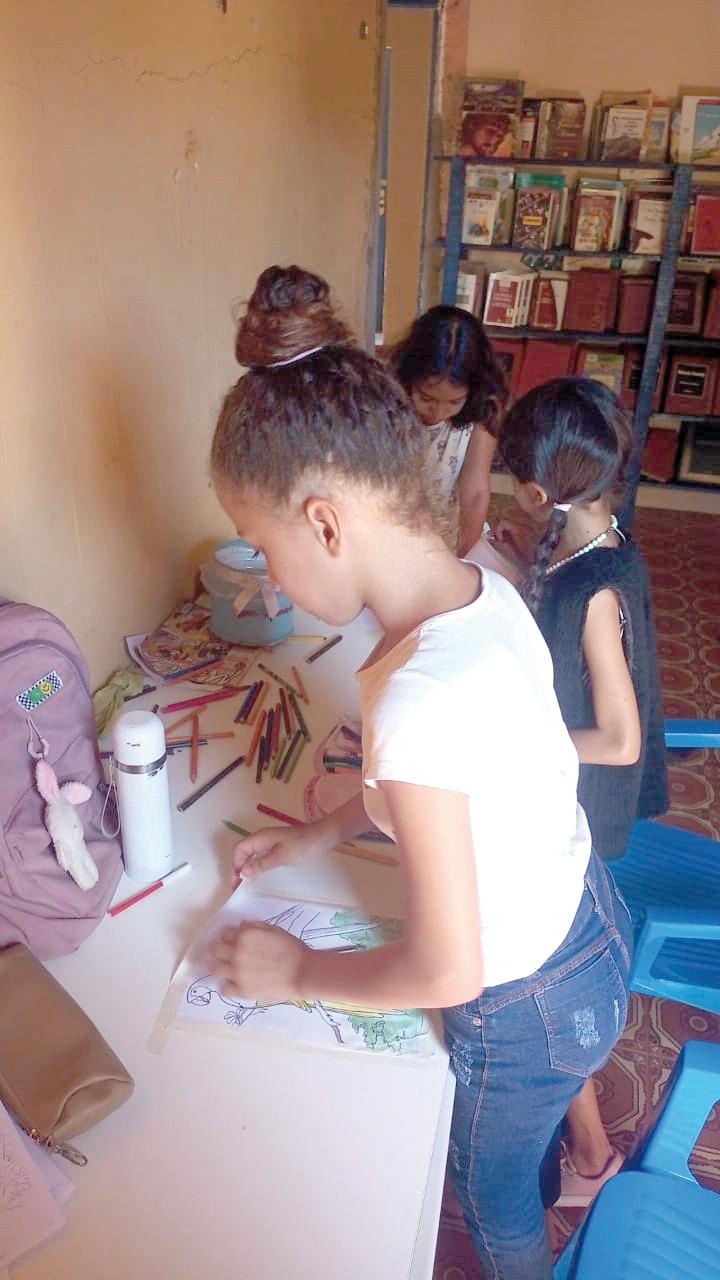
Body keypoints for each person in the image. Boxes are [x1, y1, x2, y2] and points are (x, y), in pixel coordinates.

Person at [208, 265, 632, 1280]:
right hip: (589, 923)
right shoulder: (484, 586)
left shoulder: (412, 698)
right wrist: (317, 832)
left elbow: (444, 969)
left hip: (522, 1006)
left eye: (264, 549)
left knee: (490, 1209)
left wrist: (296, 971)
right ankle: (553, 1159)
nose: (268, 576)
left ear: (323, 522)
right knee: (512, 1163)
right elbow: (472, 779)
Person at [499, 377, 668, 1207]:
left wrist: (518, 742)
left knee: (544, 986)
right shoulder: (591, 538)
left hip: (581, 813)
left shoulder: (593, 589)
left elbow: (621, 737)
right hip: (566, 793)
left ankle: (591, 1157)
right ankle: (588, 1141)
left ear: (539, 492)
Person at [390, 305, 506, 554]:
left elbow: (474, 493)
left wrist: (465, 556)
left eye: (454, 402)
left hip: (449, 532)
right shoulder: (386, 401)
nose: (438, 412)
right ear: (409, 377)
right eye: (426, 398)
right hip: (393, 528)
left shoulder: (483, 408)